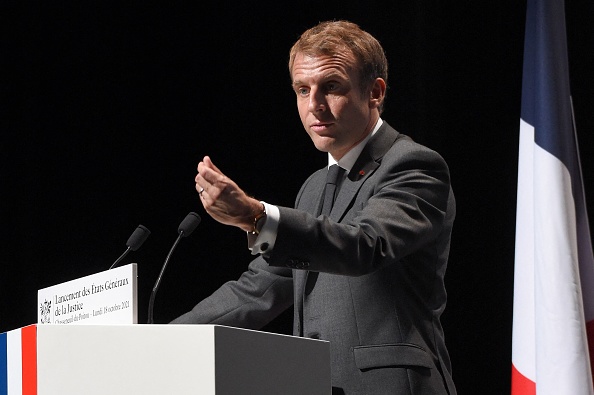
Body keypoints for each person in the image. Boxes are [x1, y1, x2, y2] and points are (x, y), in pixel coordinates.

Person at [171, 20, 457, 395]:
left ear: (375, 91)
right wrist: (163, 338)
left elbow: (364, 245)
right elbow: (259, 288)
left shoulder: (413, 164)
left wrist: (257, 216)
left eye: (331, 87)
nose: (314, 106)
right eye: (302, 90)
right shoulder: (314, 188)